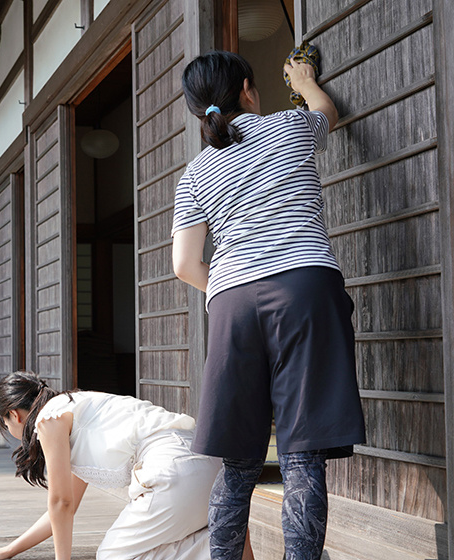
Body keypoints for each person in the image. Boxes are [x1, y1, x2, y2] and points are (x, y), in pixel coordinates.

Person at [171, 51, 365, 560]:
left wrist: (234, 283)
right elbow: (328, 111)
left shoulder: (194, 172)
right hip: (304, 288)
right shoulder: (290, 126)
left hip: (232, 302)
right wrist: (304, 79)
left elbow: (185, 265)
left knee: (238, 462)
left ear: (198, 111)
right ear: (248, 89)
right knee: (302, 457)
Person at [0, 371, 246, 560]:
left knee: (113, 555)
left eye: (6, 424)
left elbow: (61, 503)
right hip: (208, 467)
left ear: (13, 414)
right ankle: (227, 536)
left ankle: (219, 544)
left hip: (173, 472)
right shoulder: (75, 408)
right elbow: (62, 509)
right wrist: (9, 550)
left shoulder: (48, 420)